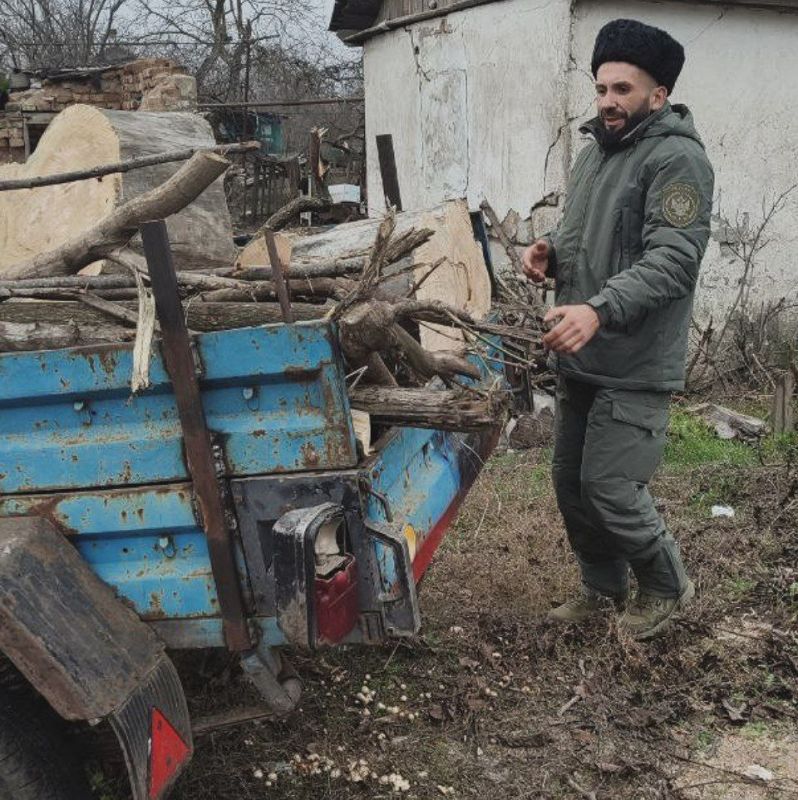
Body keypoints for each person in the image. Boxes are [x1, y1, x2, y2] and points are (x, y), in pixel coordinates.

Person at [522, 18, 714, 639]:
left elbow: (672, 262)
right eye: (602, 88)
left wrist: (598, 309)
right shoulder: (594, 154)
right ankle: (601, 588)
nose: (607, 101)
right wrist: (550, 251)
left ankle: (666, 586)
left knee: (611, 486)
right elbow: (586, 237)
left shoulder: (677, 159)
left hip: (634, 359)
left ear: (657, 96)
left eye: (623, 90)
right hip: (582, 354)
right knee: (570, 484)